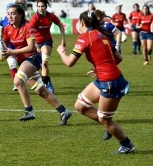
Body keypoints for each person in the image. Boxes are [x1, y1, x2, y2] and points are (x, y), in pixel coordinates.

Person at [57, 10, 134, 154]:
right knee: (80, 106)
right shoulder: (101, 35)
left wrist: (62, 52)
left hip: (110, 82)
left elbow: (69, 63)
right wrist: (99, 69)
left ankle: (126, 144)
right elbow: (118, 59)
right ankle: (109, 126)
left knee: (105, 119)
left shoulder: (84, 38)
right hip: (105, 78)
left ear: (81, 23)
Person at [3, 4, 72, 124]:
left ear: (20, 14)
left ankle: (29, 111)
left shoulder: (27, 27)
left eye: (13, 13)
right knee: (41, 91)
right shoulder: (7, 28)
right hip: (22, 61)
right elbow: (3, 45)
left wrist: (12, 51)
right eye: (8, 13)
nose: (10, 16)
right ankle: (63, 111)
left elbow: (30, 47)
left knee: (18, 81)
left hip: (33, 58)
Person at [30, 0, 66, 93]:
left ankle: (45, 85)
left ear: (46, 7)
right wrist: (35, 45)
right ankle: (48, 81)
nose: (40, 8)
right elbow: (30, 31)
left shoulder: (51, 16)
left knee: (44, 62)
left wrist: (63, 40)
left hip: (46, 41)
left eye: (42, 6)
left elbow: (61, 25)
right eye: (38, 6)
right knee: (41, 65)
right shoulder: (35, 17)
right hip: (36, 43)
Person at [0, 3, 18, 91]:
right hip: (10, 45)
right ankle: (16, 84)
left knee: (26, 67)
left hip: (20, 45)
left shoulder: (19, 19)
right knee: (12, 64)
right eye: (8, 12)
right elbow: (1, 31)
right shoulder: (2, 20)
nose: (10, 15)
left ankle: (40, 82)